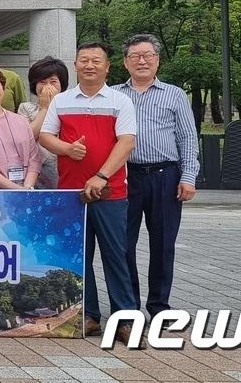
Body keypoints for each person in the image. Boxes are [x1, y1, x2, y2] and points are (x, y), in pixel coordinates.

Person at [40, 42, 140, 340]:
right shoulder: (62, 101)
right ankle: (90, 315)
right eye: (84, 60)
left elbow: (126, 143)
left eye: (96, 60)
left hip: (110, 192)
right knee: (78, 257)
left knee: (115, 255)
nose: (90, 65)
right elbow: (46, 136)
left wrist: (101, 175)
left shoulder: (120, 101)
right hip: (70, 193)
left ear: (108, 66)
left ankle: (125, 320)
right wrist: (67, 149)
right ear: (75, 65)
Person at [114, 33, 199, 318]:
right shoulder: (114, 95)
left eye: (148, 55)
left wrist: (188, 176)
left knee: (163, 244)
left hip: (166, 176)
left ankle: (159, 306)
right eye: (135, 56)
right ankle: (128, 306)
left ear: (157, 60)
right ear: (125, 62)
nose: (142, 60)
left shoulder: (174, 94)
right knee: (123, 244)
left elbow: (187, 137)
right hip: (126, 177)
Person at [17, 57, 68, 189]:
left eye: (53, 81)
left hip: (63, 168)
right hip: (35, 172)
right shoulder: (26, 108)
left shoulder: (70, 108)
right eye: (42, 82)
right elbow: (26, 138)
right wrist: (45, 108)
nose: (48, 86)